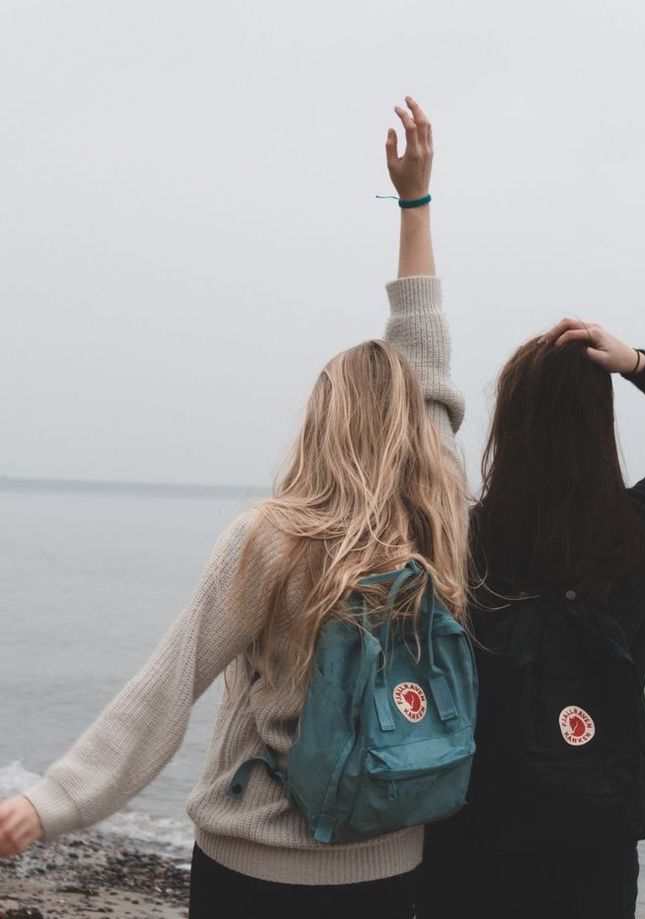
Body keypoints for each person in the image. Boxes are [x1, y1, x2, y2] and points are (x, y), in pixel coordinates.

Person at [0, 97, 465, 919]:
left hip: (256, 873)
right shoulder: (439, 523)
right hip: (391, 872)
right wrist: (417, 204)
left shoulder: (273, 539)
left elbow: (165, 688)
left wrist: (52, 800)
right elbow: (424, 352)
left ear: (319, 421)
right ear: (413, 424)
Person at [421, 320, 645, 919]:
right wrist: (637, 362)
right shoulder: (640, 533)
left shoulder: (458, 536)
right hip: (597, 830)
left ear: (509, 424)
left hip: (472, 827)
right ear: (600, 424)